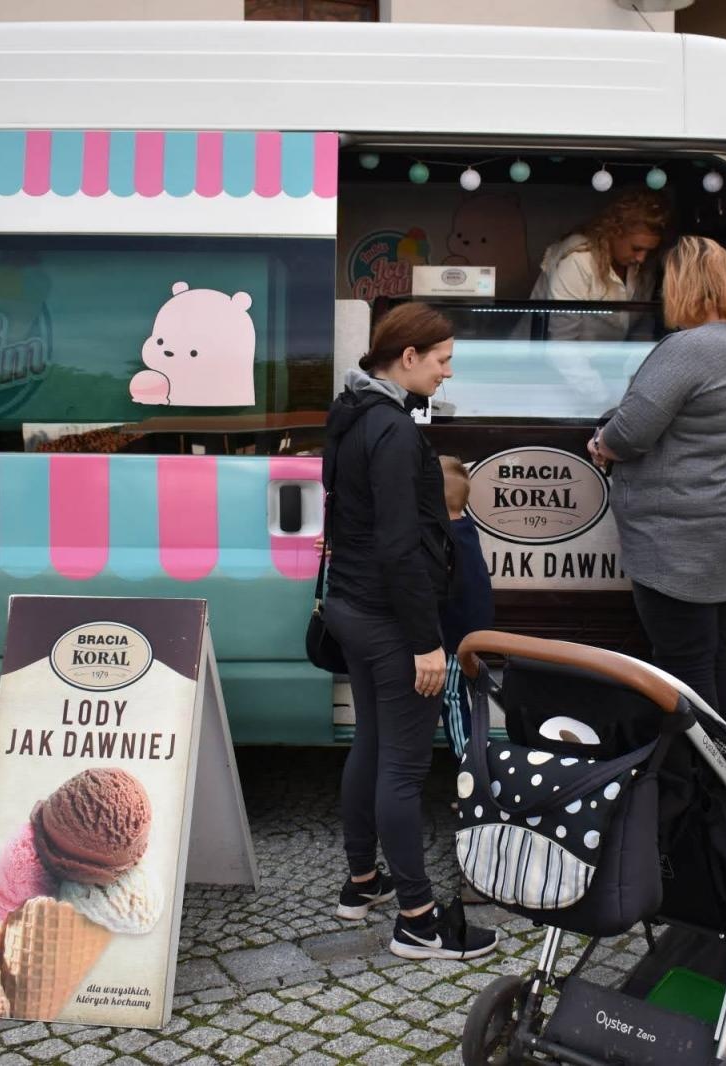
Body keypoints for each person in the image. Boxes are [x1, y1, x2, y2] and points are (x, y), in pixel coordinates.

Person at [320, 302, 498, 961]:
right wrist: (428, 641)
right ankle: (419, 921)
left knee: (369, 743)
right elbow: (401, 547)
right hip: (391, 620)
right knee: (403, 765)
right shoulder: (393, 429)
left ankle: (361, 882)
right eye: (444, 360)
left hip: (351, 608)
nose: (448, 373)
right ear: (409, 358)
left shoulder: (351, 411)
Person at [587, 235, 726, 716]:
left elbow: (631, 432)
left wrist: (602, 442)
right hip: (721, 529)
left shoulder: (689, 347)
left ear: (684, 286)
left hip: (678, 539)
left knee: (681, 667)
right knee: (711, 660)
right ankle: (725, 776)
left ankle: (688, 785)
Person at [531, 188, 672, 399]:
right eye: (636, 248)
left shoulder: (642, 267)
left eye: (649, 251)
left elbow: (641, 326)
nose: (642, 258)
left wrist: (634, 381)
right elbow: (561, 344)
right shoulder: (578, 262)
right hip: (549, 376)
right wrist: (601, 396)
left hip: (603, 372)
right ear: (614, 232)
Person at [436, 455, 494, 764]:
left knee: (453, 698)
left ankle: (470, 769)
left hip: (456, 637)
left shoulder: (447, 538)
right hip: (471, 632)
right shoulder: (465, 529)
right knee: (462, 694)